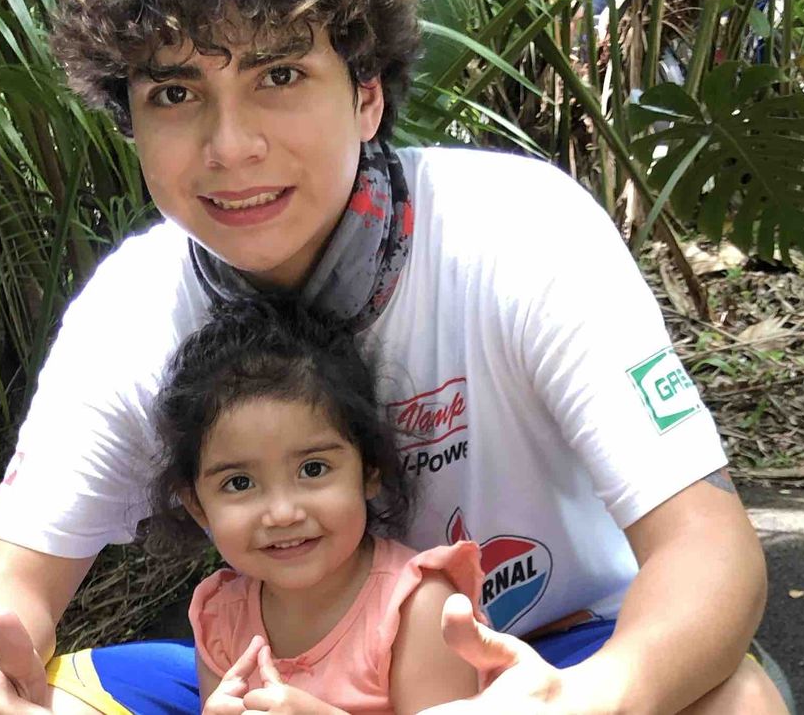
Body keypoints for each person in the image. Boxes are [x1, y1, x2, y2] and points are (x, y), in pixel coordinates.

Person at [0, 0, 788, 715]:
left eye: (279, 75)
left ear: (366, 94)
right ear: (130, 121)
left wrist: (588, 702)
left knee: (733, 703)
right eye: (176, 94)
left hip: (551, 654)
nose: (231, 146)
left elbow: (707, 549)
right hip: (277, 681)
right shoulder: (130, 314)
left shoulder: (517, 231)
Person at [45, 299, 485, 713]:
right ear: (197, 506)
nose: (282, 512)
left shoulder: (419, 609)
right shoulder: (220, 617)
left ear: (369, 471)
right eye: (239, 483)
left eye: (313, 469)